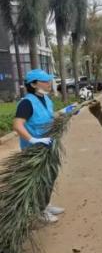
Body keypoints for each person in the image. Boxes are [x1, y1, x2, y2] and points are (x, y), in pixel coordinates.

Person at [12, 68, 79, 223]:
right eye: (45, 81)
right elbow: (17, 125)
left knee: (51, 174)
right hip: (34, 149)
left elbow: (50, 116)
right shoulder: (26, 103)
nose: (49, 83)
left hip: (49, 144)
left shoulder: (46, 99)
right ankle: (39, 211)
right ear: (34, 84)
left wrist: (66, 111)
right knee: (40, 179)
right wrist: (33, 140)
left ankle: (45, 204)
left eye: (49, 80)